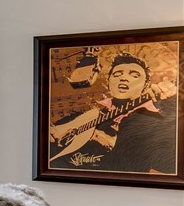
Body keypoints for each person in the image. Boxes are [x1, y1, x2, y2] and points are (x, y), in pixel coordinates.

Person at [49, 53, 177, 173]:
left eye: (134, 75)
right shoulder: (88, 115)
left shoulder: (153, 122)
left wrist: (170, 104)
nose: (124, 78)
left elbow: (170, 165)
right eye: (117, 74)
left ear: (145, 85)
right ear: (108, 82)